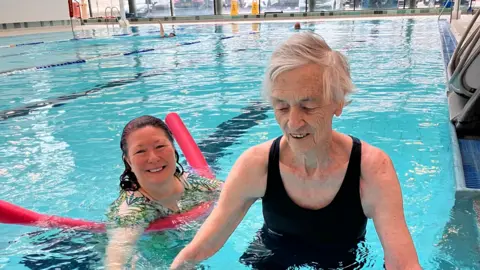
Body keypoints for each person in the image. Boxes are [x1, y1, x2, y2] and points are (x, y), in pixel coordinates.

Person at [170, 32, 421, 269]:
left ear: (338, 102)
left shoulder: (371, 169)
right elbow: (203, 246)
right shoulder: (256, 165)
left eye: (308, 106)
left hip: (338, 258)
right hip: (273, 251)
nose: (293, 122)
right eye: (281, 107)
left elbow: (403, 263)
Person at [104, 115, 221, 269]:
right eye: (140, 151)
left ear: (173, 149)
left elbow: (237, 193)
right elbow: (117, 254)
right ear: (129, 161)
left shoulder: (195, 185)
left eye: (160, 147)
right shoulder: (133, 210)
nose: (153, 158)